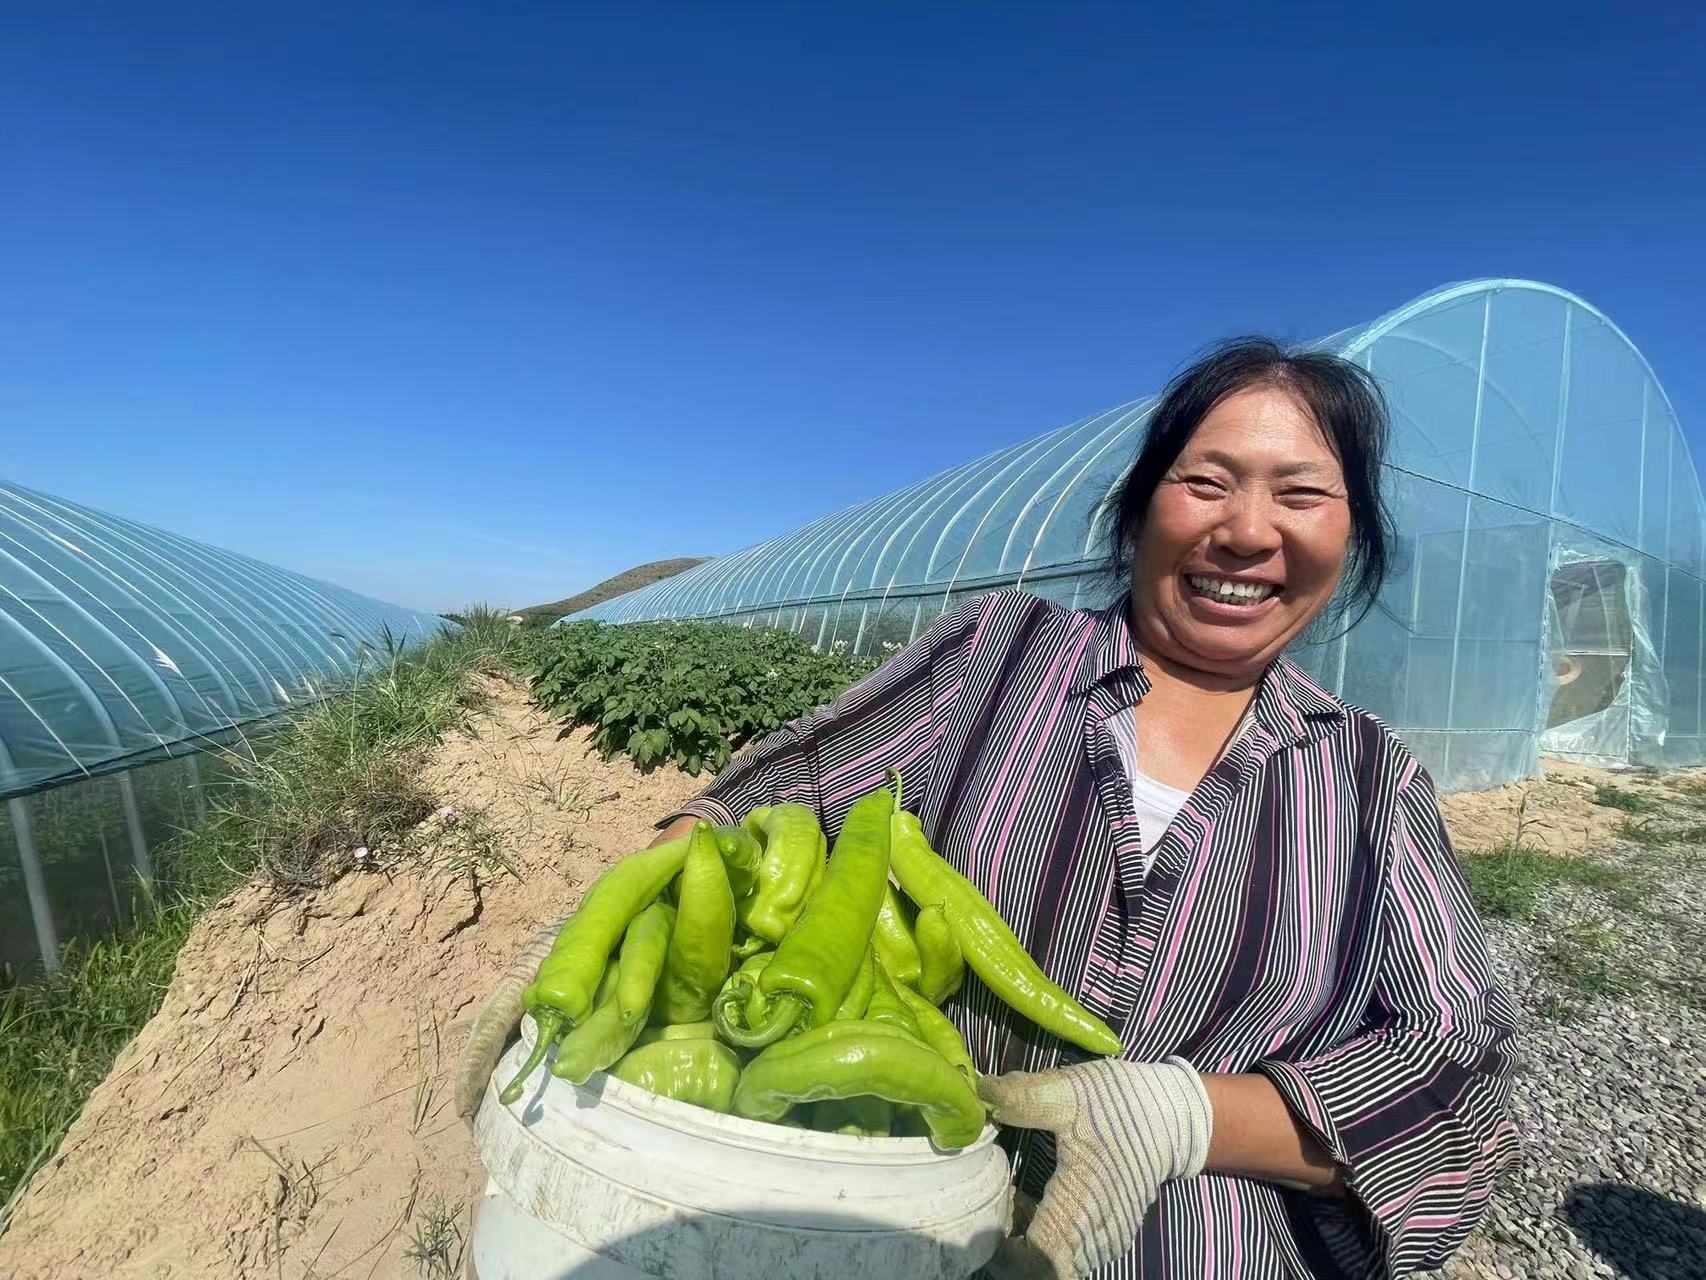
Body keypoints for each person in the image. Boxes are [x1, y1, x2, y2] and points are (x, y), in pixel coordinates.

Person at [459, 338, 1518, 1279]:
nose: (1245, 531)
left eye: (1299, 494)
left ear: (1350, 534)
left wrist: (1184, 1116)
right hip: (893, 1221)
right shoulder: (996, 656)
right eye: (1205, 481)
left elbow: (1450, 1061)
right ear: (1143, 502)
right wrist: (612, 928)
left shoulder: (1370, 777)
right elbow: (776, 788)